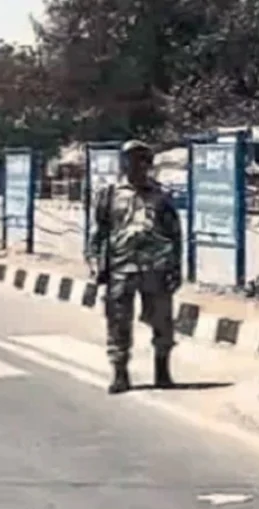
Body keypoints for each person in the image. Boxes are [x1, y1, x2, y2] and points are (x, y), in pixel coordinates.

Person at [87, 139, 183, 394]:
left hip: (156, 268)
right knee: (118, 322)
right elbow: (98, 232)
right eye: (130, 160)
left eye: (142, 160)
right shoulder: (109, 195)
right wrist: (94, 262)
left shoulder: (161, 197)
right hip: (121, 267)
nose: (136, 165)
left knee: (162, 322)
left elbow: (175, 234)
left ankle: (162, 370)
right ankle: (120, 373)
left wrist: (176, 268)